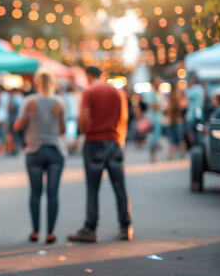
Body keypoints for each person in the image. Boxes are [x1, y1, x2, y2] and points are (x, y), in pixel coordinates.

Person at [68, 66, 132, 243]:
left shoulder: (89, 92)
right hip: (114, 141)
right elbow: (124, 118)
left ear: (88, 76)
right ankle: (125, 226)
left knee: (93, 188)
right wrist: (120, 138)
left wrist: (83, 131)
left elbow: (84, 119)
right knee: (119, 186)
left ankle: (90, 228)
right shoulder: (118, 93)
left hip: (94, 142)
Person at [13, 69, 66, 244]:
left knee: (35, 193)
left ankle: (35, 232)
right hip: (55, 150)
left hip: (34, 150)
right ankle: (50, 233)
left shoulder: (30, 102)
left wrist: (30, 118)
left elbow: (17, 126)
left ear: (36, 83)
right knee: (53, 194)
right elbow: (62, 130)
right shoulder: (59, 102)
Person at [165, 87, 188, 160]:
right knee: (178, 138)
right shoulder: (178, 99)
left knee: (174, 139)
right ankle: (180, 154)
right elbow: (184, 106)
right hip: (176, 120)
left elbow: (168, 110)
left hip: (174, 121)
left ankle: (172, 155)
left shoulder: (172, 99)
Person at [146, 76, 164, 162]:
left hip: (158, 117)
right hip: (154, 118)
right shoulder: (152, 92)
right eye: (158, 80)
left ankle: (154, 155)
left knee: (156, 137)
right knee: (155, 137)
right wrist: (161, 106)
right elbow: (152, 105)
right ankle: (152, 154)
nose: (159, 81)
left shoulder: (157, 92)